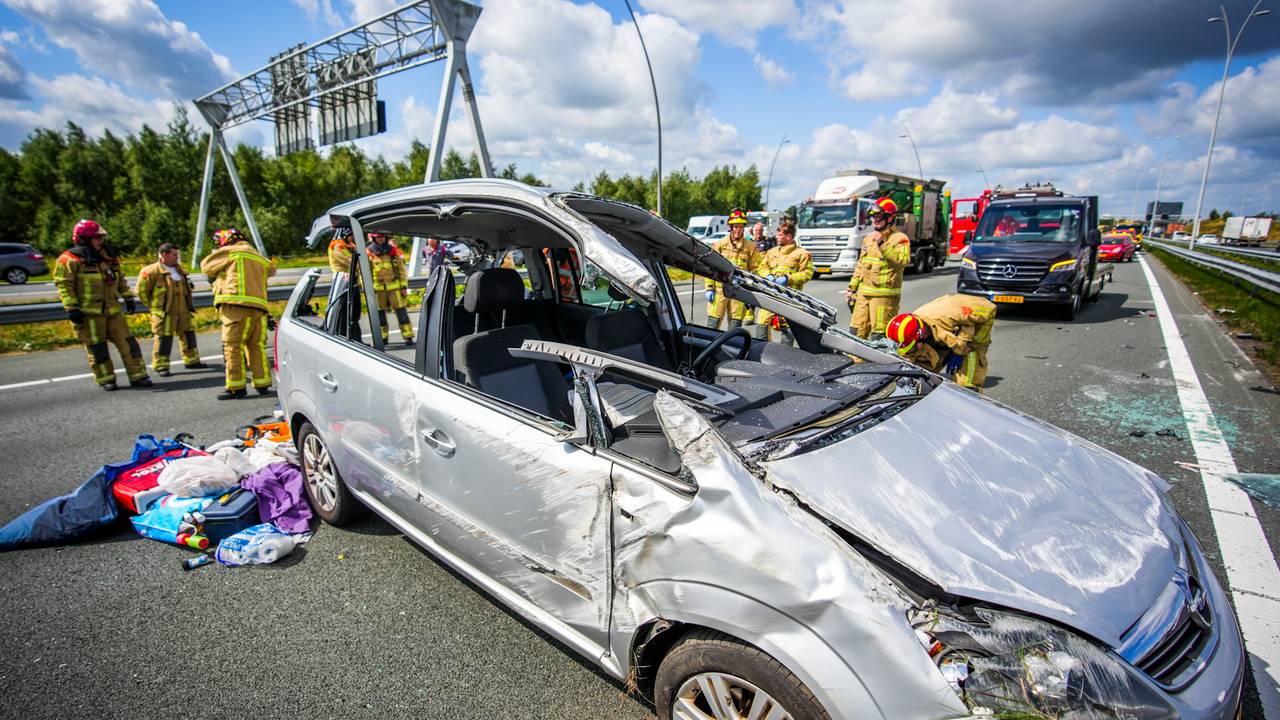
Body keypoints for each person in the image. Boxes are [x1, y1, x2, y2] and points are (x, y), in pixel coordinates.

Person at [54, 219, 152, 391]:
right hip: (89, 315)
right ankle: (106, 379)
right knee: (98, 350)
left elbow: (119, 278)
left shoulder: (108, 256)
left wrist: (127, 296)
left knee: (129, 345)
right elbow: (64, 286)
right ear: (84, 239)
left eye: (101, 238)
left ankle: (138, 376)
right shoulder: (69, 260)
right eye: (96, 238)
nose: (100, 241)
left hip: (114, 312)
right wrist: (72, 308)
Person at [201, 228, 276, 399]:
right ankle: (262, 383)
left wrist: (217, 254)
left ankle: (236, 387)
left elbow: (206, 266)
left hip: (235, 308)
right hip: (259, 310)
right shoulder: (258, 256)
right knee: (256, 346)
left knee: (232, 347)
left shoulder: (231, 252)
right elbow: (271, 271)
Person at [886, 294, 997, 392]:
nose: (911, 352)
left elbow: (969, 327)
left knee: (967, 381)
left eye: (911, 348)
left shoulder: (949, 317)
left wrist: (959, 351)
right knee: (923, 367)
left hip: (978, 318)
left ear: (921, 335)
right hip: (949, 330)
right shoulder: (913, 326)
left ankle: (972, 397)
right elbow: (908, 356)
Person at [846, 197, 910, 339]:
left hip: (884, 298)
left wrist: (883, 244)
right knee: (855, 333)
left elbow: (902, 261)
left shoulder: (900, 239)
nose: (875, 220)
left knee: (879, 337)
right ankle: (855, 361)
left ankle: (878, 362)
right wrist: (851, 289)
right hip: (863, 295)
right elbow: (861, 265)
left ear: (890, 217)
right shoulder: (868, 238)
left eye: (879, 216)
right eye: (873, 217)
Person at [136, 243, 204, 376]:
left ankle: (192, 360)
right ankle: (161, 365)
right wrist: (155, 306)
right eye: (174, 255)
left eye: (177, 255)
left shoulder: (180, 270)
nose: (177, 258)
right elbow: (141, 292)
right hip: (165, 312)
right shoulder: (151, 271)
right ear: (163, 255)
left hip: (183, 309)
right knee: (164, 338)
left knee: (188, 335)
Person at [753, 220, 813, 345]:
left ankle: (784, 358)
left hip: (789, 297)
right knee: (761, 323)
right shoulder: (772, 252)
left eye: (779, 235)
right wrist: (767, 275)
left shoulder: (802, 254)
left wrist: (788, 278)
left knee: (787, 329)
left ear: (789, 236)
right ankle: (761, 352)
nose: (776, 237)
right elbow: (762, 267)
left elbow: (807, 273)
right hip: (771, 294)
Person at [705, 208, 760, 329]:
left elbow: (755, 270)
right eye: (735, 227)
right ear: (730, 227)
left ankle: (731, 348)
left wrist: (751, 291)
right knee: (712, 324)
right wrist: (709, 288)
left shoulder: (751, 248)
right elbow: (710, 268)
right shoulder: (719, 245)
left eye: (740, 227)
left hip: (739, 291)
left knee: (735, 326)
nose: (738, 230)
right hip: (719, 291)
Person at [368, 233, 415, 346]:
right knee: (380, 315)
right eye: (378, 237)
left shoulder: (393, 251)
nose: (381, 239)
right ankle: (383, 338)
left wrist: (403, 286)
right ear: (374, 238)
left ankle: (408, 336)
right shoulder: (369, 252)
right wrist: (367, 289)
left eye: (383, 237)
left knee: (401, 313)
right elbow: (364, 272)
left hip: (395, 289)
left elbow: (402, 270)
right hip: (377, 290)